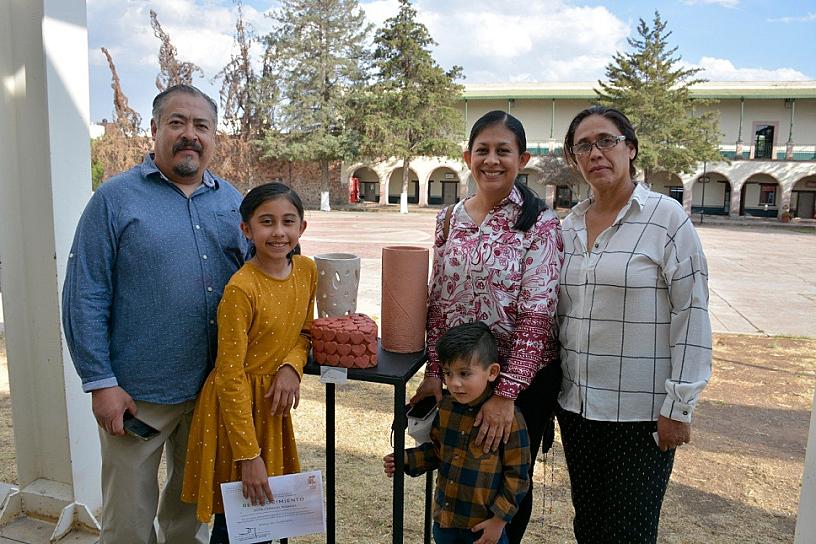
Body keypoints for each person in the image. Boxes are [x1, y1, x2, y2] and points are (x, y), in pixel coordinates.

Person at [62, 84, 248, 543]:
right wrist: (101, 383)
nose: (190, 135)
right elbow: (84, 293)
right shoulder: (114, 200)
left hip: (210, 392)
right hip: (136, 395)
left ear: (214, 136)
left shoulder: (234, 204)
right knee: (127, 519)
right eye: (177, 123)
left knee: (189, 517)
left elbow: (262, 280)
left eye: (201, 125)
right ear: (154, 129)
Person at [557, 105, 712, 543]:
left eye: (606, 140)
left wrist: (680, 406)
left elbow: (692, 313)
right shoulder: (567, 226)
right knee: (588, 525)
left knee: (629, 533)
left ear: (630, 148)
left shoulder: (666, 219)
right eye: (583, 146)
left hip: (640, 417)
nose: (595, 153)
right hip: (577, 408)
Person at [411, 110, 562, 544]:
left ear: (523, 158)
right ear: (467, 156)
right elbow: (439, 300)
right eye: (483, 150)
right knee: (459, 470)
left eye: (503, 151)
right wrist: (435, 374)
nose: (492, 160)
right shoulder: (449, 220)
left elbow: (538, 315)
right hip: (461, 375)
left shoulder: (539, 223)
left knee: (506, 483)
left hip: (520, 381)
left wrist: (506, 397)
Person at [181, 182, 316, 544]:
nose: (278, 232)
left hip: (273, 408)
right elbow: (229, 376)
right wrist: (248, 454)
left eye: (288, 221)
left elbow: (306, 333)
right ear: (247, 229)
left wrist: (291, 367)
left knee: (275, 517)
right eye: (266, 222)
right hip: (235, 415)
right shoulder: (241, 289)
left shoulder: (306, 272)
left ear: (302, 227)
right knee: (242, 519)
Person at [385, 322, 530, 544]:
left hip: (483, 529)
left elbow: (517, 476)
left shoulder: (508, 420)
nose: (454, 383)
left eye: (464, 373)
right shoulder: (445, 408)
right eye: (447, 373)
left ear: (492, 372)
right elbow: (439, 452)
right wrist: (406, 459)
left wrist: (499, 521)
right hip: (445, 523)